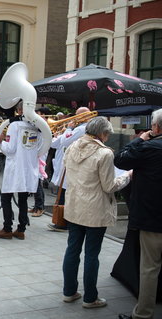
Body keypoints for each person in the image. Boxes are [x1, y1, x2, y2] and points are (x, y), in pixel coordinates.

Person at [62, 117, 131, 309]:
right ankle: (90, 298)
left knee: (72, 250)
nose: (107, 137)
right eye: (107, 134)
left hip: (75, 206)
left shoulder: (73, 146)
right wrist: (127, 176)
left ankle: (69, 292)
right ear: (101, 133)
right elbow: (109, 186)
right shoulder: (104, 154)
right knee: (92, 254)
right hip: (95, 209)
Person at [115, 109, 162, 319]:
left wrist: (139, 140)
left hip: (153, 219)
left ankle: (143, 313)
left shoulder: (149, 147)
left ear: (156, 127)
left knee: (150, 267)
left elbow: (120, 160)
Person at [0, 101, 43, 240]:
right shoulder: (38, 127)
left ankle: (7, 228)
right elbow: (41, 148)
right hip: (29, 167)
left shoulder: (14, 125)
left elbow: (10, 149)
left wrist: (0, 140)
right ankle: (21, 229)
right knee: (23, 200)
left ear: (19, 111)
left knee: (6, 197)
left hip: (15, 167)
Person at [47, 106, 91, 232]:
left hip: (72, 167)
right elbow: (55, 143)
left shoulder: (82, 129)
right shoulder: (78, 129)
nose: (74, 118)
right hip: (66, 165)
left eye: (77, 116)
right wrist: (56, 133)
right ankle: (61, 221)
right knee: (64, 194)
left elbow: (66, 141)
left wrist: (69, 129)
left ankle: (63, 222)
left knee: (66, 196)